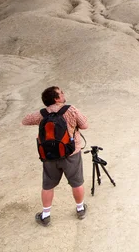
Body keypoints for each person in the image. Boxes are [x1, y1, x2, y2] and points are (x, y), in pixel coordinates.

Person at [22, 86, 89, 226]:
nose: (63, 94)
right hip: (71, 153)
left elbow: (25, 120)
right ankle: (80, 209)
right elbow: (84, 125)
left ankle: (45, 215)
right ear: (56, 98)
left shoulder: (42, 113)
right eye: (61, 93)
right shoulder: (70, 110)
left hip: (49, 154)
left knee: (48, 185)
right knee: (76, 182)